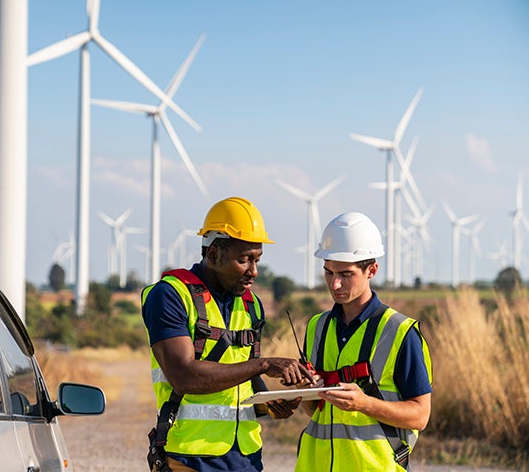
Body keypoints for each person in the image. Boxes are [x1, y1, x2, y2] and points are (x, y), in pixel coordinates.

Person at [142, 196, 312, 472]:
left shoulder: (251, 305)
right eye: (244, 260)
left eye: (257, 260)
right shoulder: (170, 295)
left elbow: (245, 376)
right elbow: (183, 376)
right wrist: (266, 364)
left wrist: (268, 404)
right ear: (213, 254)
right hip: (190, 458)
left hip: (246, 458)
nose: (253, 272)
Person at [295, 212, 432, 471]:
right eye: (328, 273)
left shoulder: (400, 332)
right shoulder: (317, 327)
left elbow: (420, 416)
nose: (334, 284)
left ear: (372, 270)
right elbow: (315, 410)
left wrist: (364, 404)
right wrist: (305, 391)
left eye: (345, 274)